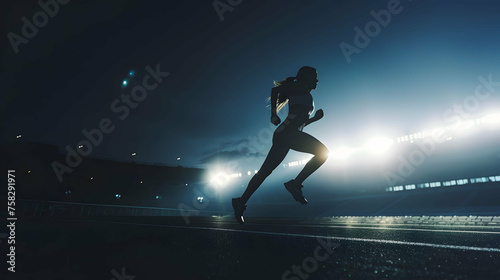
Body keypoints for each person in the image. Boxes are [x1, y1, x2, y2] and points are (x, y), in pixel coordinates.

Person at [232, 66, 329, 224]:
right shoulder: (300, 87)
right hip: (287, 133)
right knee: (323, 153)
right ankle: (295, 184)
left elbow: (299, 124)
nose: (317, 80)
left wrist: (314, 119)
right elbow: (275, 90)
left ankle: (240, 202)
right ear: (306, 78)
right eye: (314, 76)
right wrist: (273, 115)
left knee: (265, 172)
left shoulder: (306, 94)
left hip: (287, 134)